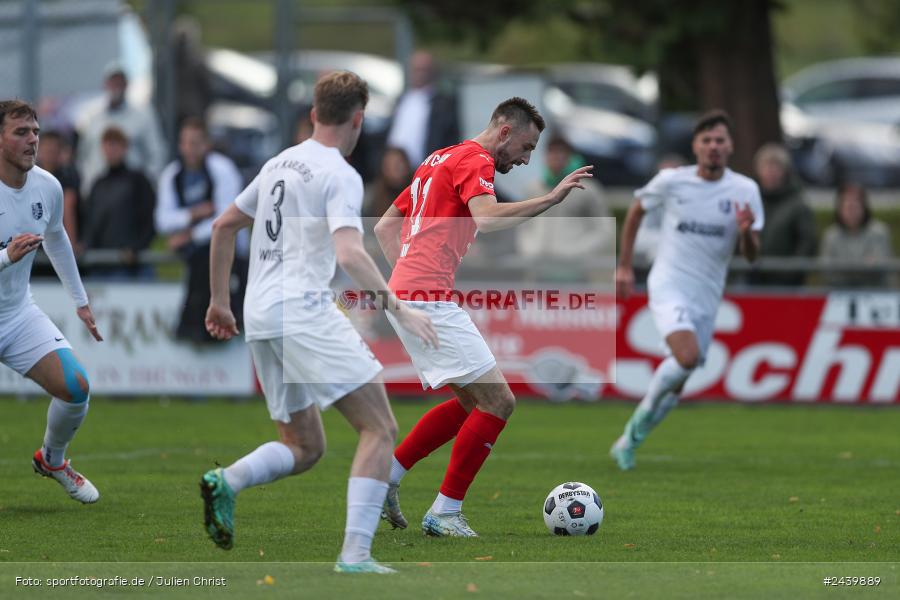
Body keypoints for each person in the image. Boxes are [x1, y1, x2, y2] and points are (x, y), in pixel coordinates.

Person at [199, 71, 437, 574]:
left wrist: (221, 301)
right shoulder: (340, 173)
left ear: (312, 114)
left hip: (260, 315)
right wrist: (400, 308)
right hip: (302, 309)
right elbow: (350, 252)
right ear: (358, 118)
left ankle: (228, 480)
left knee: (305, 446)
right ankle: (355, 555)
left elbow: (223, 227)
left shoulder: (278, 163)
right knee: (380, 428)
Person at [373, 97, 593, 536]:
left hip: (412, 293)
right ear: (505, 132)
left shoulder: (439, 158)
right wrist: (548, 199)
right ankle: (445, 511)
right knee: (499, 401)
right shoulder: (476, 159)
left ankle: (386, 479)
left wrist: (403, 282)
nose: (527, 158)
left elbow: (384, 226)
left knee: (472, 402)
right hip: (427, 296)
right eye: (526, 147)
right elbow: (487, 219)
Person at [610, 110, 764, 471]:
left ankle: (628, 443)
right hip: (669, 283)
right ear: (696, 146)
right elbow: (635, 212)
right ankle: (630, 434)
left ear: (730, 147)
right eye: (706, 140)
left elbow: (752, 255)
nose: (713, 146)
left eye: (719, 140)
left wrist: (744, 232)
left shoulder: (745, 190)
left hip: (707, 295)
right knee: (687, 357)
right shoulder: (671, 181)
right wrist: (623, 266)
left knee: (677, 383)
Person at [0, 100, 104, 503]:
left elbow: (57, 237)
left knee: (76, 387)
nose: (32, 140)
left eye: (36, 132)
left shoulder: (47, 185)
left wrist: (80, 301)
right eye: (20, 132)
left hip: (15, 314)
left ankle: (53, 459)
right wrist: (8, 256)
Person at [156, 118, 246, 343]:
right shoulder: (172, 175)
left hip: (232, 253)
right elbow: (162, 220)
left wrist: (189, 235)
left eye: (196, 143)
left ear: (206, 144)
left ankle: (202, 327)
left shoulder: (222, 169)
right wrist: (193, 214)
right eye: (185, 142)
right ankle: (196, 328)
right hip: (194, 255)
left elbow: (226, 220)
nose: (190, 149)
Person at [516, 136, 614, 270]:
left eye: (560, 152)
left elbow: (605, 230)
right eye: (551, 152)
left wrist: (578, 252)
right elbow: (523, 225)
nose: (555, 157)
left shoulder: (587, 189)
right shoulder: (533, 188)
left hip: (574, 268)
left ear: (569, 157)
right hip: (538, 267)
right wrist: (530, 249)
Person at [76, 63, 166, 197]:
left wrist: (146, 186)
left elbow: (157, 153)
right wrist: (88, 184)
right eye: (112, 81)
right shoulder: (93, 118)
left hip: (131, 196)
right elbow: (83, 156)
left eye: (120, 82)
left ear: (127, 85)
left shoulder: (143, 115)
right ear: (105, 84)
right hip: (99, 193)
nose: (116, 86)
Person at [81, 127, 156, 278]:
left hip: (131, 268)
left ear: (125, 148)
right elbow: (90, 222)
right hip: (100, 265)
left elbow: (150, 219)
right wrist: (85, 244)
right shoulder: (98, 184)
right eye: (108, 145)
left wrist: (136, 248)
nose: (111, 150)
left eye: (115, 145)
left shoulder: (138, 180)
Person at [749, 143, 817, 286]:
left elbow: (807, 242)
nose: (771, 173)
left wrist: (791, 272)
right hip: (752, 279)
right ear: (758, 170)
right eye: (766, 167)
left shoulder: (798, 205)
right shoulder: (750, 200)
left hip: (787, 284)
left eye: (776, 168)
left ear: (785, 172)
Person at [386, 51, 460, 166]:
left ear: (433, 72)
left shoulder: (443, 104)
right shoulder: (402, 100)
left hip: (426, 168)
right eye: (416, 69)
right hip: (396, 170)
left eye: (424, 70)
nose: (420, 74)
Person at [820, 182, 893, 288]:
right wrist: (864, 266)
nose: (851, 211)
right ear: (839, 208)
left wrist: (844, 267)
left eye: (855, 206)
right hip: (839, 294)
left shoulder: (879, 232)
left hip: (875, 293)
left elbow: (883, 267)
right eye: (847, 206)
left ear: (864, 207)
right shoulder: (831, 235)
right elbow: (826, 271)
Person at [363, 147, 413, 219]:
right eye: (389, 165)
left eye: (397, 165)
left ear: (407, 166)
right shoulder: (374, 198)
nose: (394, 169)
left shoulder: (419, 192)